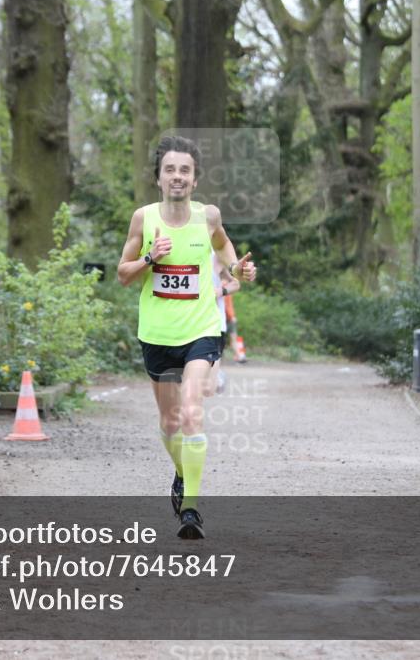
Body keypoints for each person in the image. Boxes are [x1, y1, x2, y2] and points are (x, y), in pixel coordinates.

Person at [117, 136, 257, 539]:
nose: (177, 177)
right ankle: (181, 474)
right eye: (170, 170)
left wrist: (238, 269)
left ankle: (191, 509)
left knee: (192, 412)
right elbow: (124, 275)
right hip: (158, 333)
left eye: (185, 171)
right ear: (158, 178)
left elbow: (226, 248)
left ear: (195, 180)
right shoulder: (143, 220)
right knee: (170, 419)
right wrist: (149, 258)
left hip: (201, 330)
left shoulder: (208, 216)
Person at [207, 253, 240, 397]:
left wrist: (220, 291)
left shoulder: (216, 256)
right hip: (188, 324)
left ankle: (217, 375)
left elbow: (235, 283)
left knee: (208, 390)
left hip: (215, 325)